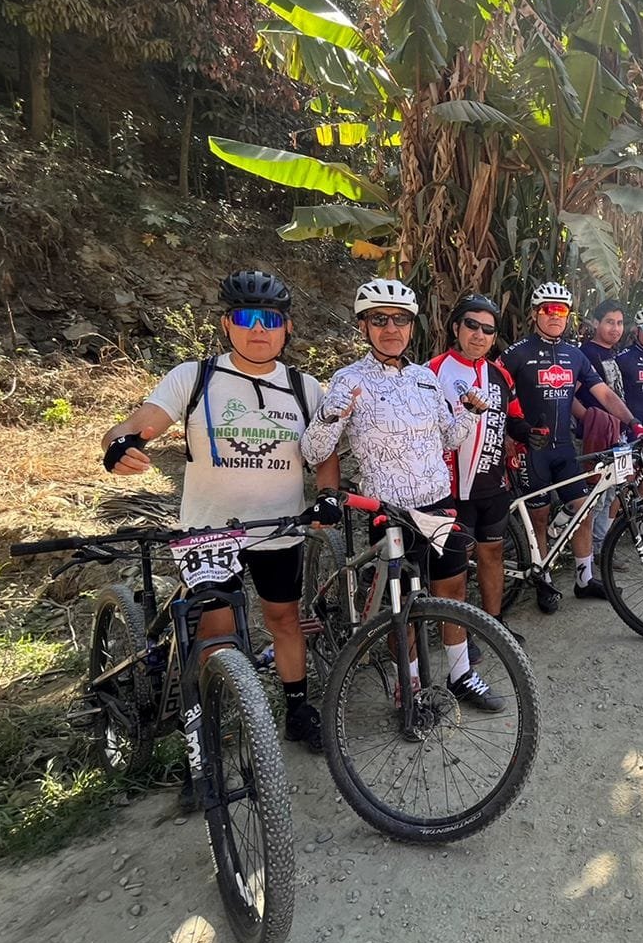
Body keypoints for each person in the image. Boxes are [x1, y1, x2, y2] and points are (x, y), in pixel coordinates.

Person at [101, 269, 340, 756]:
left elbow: (325, 455)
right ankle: (211, 722)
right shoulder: (194, 377)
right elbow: (136, 426)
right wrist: (117, 445)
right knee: (218, 631)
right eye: (246, 318)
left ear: (287, 328)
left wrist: (329, 494)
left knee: (285, 619)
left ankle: (297, 709)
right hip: (209, 533)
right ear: (226, 324)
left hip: (279, 528)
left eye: (270, 319)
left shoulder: (304, 387)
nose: (258, 330)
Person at [299, 279, 503, 712]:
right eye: (380, 319)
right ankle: (406, 684)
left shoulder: (425, 378)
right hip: (388, 512)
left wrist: (467, 411)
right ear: (363, 326)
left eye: (401, 320)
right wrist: (333, 413)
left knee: (452, 589)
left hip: (437, 505)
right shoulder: (347, 379)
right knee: (401, 603)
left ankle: (461, 673)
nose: (391, 328)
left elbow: (448, 439)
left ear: (413, 326)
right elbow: (314, 451)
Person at [499, 282, 643, 612]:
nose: (555, 316)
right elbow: (495, 398)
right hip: (531, 450)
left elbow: (605, 395)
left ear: (569, 316)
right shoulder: (516, 353)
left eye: (562, 310)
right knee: (538, 519)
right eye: (548, 310)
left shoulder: (575, 355)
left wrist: (631, 422)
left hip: (563, 447)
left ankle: (584, 579)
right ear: (534, 314)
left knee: (583, 509)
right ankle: (544, 581)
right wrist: (509, 438)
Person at [427, 293, 520, 635]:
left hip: (493, 485)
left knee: (492, 554)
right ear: (456, 327)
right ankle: (460, 637)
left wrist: (529, 432)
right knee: (455, 571)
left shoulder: (500, 375)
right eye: (471, 325)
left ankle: (495, 627)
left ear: (495, 337)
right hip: (450, 492)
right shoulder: (432, 371)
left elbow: (514, 416)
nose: (479, 335)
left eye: (488, 329)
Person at [573, 300, 628, 559]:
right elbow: (568, 394)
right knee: (594, 496)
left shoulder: (612, 353)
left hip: (616, 437)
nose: (615, 328)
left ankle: (602, 548)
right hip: (594, 437)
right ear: (595, 323)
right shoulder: (585, 354)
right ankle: (590, 555)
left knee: (612, 492)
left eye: (619, 323)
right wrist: (590, 419)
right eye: (609, 322)